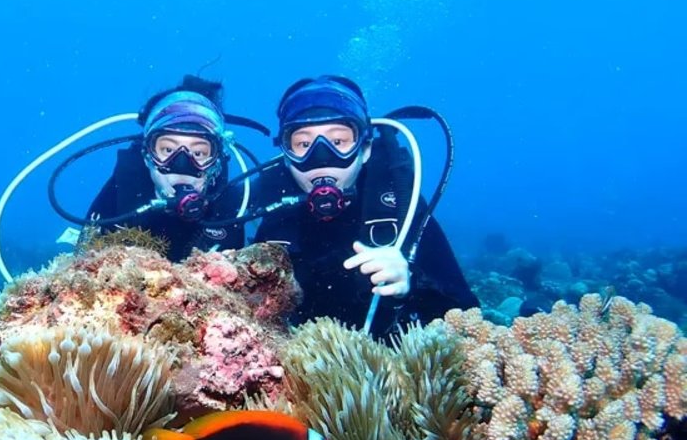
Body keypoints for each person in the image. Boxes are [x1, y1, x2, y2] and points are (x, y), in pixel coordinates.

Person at [252, 75, 479, 337]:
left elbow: (467, 313)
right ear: (287, 155)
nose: (321, 157)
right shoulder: (275, 212)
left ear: (365, 149)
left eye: (338, 142)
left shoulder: (400, 207)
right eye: (303, 144)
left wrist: (411, 284)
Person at [85, 75, 248, 261]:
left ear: (216, 161)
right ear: (147, 155)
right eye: (168, 149)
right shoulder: (121, 189)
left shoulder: (228, 206)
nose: (182, 165)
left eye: (199, 153)